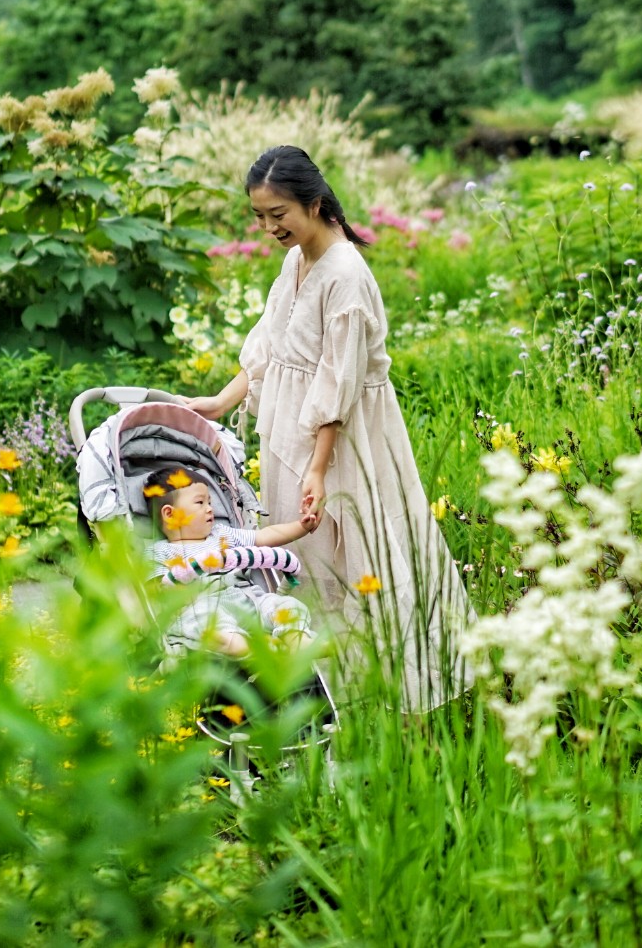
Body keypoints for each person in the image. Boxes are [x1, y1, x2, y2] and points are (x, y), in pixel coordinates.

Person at [186, 145, 468, 711]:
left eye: (278, 214)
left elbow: (337, 383)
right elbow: (271, 350)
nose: (267, 227)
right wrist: (219, 403)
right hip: (297, 433)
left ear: (315, 205)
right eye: (259, 216)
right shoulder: (297, 261)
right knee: (307, 561)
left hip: (343, 439)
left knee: (358, 554)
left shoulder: (345, 277)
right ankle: (328, 692)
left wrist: (318, 466)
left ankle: (386, 694)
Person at [145, 466, 317, 656]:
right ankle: (256, 651)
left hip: (247, 599)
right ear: (169, 514)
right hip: (202, 606)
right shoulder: (159, 552)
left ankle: (296, 642)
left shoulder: (222, 535)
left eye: (209, 501)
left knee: (286, 606)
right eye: (200, 502)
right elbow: (156, 591)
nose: (210, 508)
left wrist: (302, 527)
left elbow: (265, 536)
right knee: (204, 622)